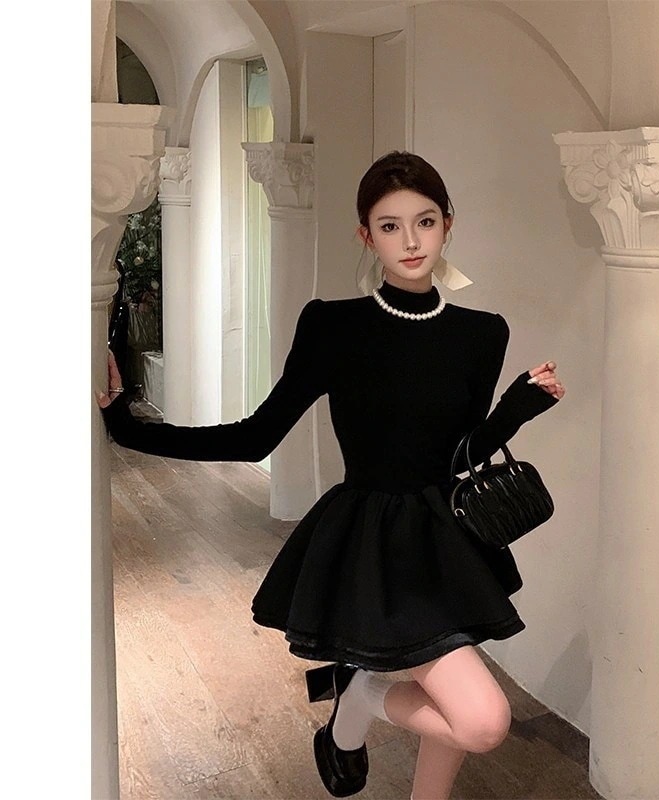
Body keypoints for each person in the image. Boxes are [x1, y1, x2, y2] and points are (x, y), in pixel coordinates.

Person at [97, 151, 565, 800]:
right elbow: (256, 435)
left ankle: (367, 700)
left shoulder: (483, 334)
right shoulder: (335, 326)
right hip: (372, 542)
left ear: (448, 225)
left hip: (446, 541)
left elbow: (459, 454)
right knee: (483, 721)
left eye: (425, 222)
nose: (411, 241)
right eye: (391, 226)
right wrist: (129, 427)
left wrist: (516, 409)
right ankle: (365, 694)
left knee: (461, 707)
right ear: (366, 235)